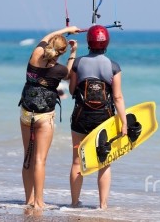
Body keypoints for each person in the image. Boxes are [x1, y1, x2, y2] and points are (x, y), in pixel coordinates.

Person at [18, 26, 79, 210]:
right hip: (44, 116)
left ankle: (29, 199)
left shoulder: (35, 55)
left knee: (27, 157)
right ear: (61, 52)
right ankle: (39, 202)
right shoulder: (59, 70)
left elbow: (45, 38)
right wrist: (74, 52)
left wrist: (66, 29)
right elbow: (69, 75)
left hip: (26, 113)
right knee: (39, 160)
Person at [69, 25, 127, 209]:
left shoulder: (78, 63)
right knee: (104, 162)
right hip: (104, 119)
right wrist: (124, 122)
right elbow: (117, 97)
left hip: (80, 118)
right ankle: (102, 205)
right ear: (106, 42)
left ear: (89, 42)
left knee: (77, 161)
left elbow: (71, 90)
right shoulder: (114, 66)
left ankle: (75, 202)